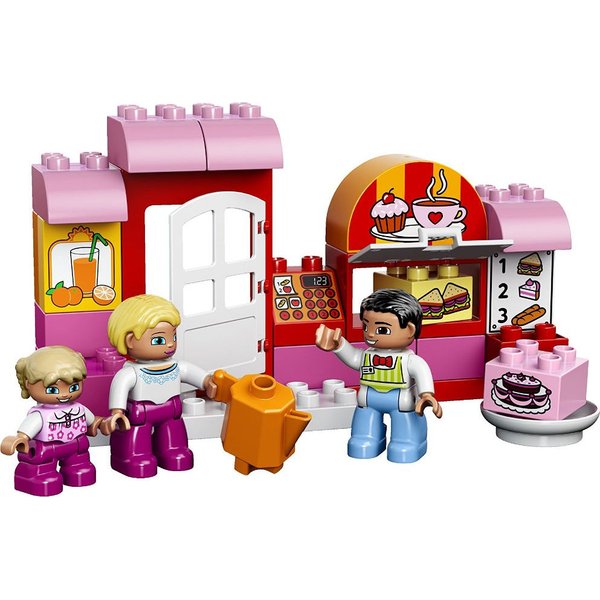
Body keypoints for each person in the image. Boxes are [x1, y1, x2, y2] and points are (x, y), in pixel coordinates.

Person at [315, 288, 442, 463]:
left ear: (409, 330)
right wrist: (339, 345)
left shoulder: (410, 360)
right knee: (364, 426)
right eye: (366, 326)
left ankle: (409, 441)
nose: (370, 334)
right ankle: (366, 437)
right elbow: (353, 357)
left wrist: (426, 395)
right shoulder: (367, 355)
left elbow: (423, 373)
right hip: (369, 400)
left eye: (382, 329)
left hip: (401, 401)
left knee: (405, 426)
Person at [104, 294, 216, 478]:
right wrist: (117, 412)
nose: (170, 344)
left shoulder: (176, 366)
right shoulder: (130, 373)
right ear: (130, 341)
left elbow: (192, 373)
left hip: (171, 410)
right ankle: (133, 456)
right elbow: (119, 388)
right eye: (159, 340)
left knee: (173, 429)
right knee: (136, 434)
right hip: (141, 413)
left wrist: (206, 381)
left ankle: (173, 449)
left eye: (174, 336)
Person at [1, 346, 105, 496]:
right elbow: (25, 432)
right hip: (48, 449)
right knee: (43, 467)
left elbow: (93, 421)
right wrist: (20, 438)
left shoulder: (78, 408)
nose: (64, 395)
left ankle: (76, 467)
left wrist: (102, 424)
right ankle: (40, 475)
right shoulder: (40, 415)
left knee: (80, 464)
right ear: (28, 384)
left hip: (76, 445)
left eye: (73, 387)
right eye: (53, 390)